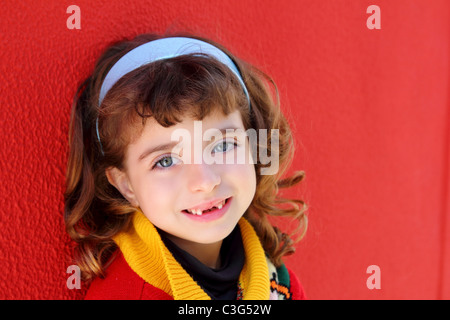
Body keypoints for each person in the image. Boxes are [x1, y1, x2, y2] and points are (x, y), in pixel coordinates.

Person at [64, 32, 308, 300]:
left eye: (223, 146)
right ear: (126, 185)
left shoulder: (281, 285)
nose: (204, 180)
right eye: (166, 161)